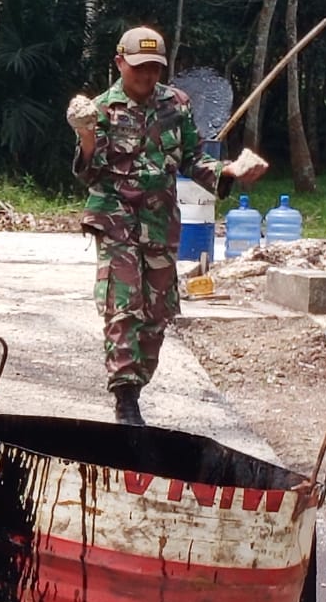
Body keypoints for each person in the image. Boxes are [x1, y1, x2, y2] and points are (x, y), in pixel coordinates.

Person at [70, 27, 267, 425]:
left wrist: (230, 170)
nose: (146, 77)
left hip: (159, 223)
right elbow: (89, 174)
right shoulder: (102, 109)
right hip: (116, 219)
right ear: (120, 62)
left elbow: (195, 158)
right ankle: (125, 399)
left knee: (157, 314)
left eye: (154, 69)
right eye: (139, 68)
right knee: (123, 306)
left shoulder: (176, 105)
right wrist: (87, 135)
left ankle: (135, 386)